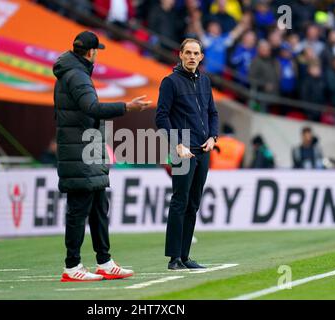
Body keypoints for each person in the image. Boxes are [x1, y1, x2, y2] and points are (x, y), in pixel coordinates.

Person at [53, 31, 151, 282]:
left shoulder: (74, 71)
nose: (97, 55)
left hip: (86, 150)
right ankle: (72, 266)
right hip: (81, 152)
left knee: (98, 208)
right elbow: (92, 108)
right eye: (97, 50)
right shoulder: (77, 75)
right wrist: (127, 106)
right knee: (79, 210)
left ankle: (104, 261)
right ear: (90, 52)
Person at [156, 38, 219, 270]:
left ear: (201, 57)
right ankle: (174, 258)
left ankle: (184, 256)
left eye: (196, 53)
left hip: (203, 151)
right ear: (180, 55)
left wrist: (213, 137)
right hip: (182, 151)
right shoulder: (170, 82)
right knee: (179, 201)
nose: (192, 57)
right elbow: (161, 117)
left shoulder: (205, 81)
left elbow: (213, 113)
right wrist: (177, 145)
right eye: (188, 53)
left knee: (193, 203)